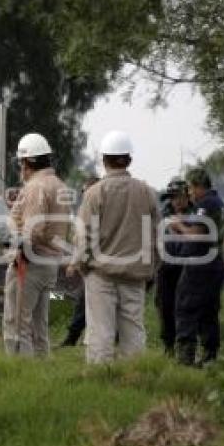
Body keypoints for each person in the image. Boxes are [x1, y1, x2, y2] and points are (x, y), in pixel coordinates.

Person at [67, 131, 159, 364]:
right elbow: (157, 236)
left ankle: (101, 383)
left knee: (101, 332)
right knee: (134, 332)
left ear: (104, 160)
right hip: (136, 274)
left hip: (101, 274)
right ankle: (135, 378)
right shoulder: (147, 192)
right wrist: (151, 269)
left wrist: (81, 264)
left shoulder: (94, 193)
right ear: (128, 159)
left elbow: (84, 235)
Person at [3, 133, 72, 357]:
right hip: (48, 263)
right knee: (38, 327)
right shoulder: (58, 184)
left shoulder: (35, 187)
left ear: (27, 161)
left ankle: (16, 376)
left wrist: (18, 253)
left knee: (17, 326)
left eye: (21, 162)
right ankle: (42, 375)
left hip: (29, 263)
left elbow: (33, 230)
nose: (20, 168)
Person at [169, 168, 224, 367]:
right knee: (208, 310)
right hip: (213, 263)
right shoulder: (216, 202)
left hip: (200, 265)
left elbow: (197, 234)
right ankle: (210, 356)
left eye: (191, 188)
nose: (190, 193)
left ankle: (186, 357)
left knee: (186, 306)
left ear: (199, 186)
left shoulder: (206, 203)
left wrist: (179, 227)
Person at [59, 176, 100, 347]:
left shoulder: (94, 210)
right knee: (86, 304)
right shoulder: (89, 209)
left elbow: (85, 240)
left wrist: (74, 262)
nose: (84, 194)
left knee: (85, 304)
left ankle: (75, 338)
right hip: (92, 264)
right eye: (83, 191)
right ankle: (81, 338)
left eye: (86, 190)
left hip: (96, 265)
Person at [156, 177, 193, 356]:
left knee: (186, 307)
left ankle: (187, 346)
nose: (176, 201)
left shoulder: (197, 214)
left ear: (187, 196)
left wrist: (181, 226)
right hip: (166, 265)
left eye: (179, 196)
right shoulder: (164, 213)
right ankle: (168, 344)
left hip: (188, 266)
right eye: (172, 197)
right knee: (164, 305)